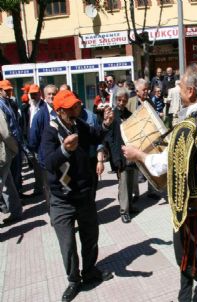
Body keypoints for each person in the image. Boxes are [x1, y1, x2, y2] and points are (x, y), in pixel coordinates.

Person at [122, 65, 197, 302]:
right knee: (188, 251)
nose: (178, 89)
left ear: (192, 91)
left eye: (181, 86)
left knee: (183, 256)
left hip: (190, 205)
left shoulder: (188, 127)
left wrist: (139, 155)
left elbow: (165, 164)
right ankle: (184, 298)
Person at [41, 90, 114, 302]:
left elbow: (96, 134)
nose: (77, 108)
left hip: (84, 194)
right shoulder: (51, 131)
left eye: (77, 105)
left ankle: (90, 271)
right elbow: (47, 163)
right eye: (72, 107)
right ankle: (74, 281)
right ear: (61, 111)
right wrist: (64, 150)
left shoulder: (78, 124)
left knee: (90, 237)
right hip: (61, 199)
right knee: (67, 244)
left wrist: (107, 123)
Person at [108, 88, 139, 223]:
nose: (122, 102)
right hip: (119, 155)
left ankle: (130, 206)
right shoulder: (112, 115)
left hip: (131, 153)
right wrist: (114, 158)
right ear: (116, 100)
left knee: (131, 182)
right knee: (123, 184)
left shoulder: (129, 114)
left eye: (124, 100)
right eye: (119, 100)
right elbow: (110, 139)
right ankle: (124, 211)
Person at [29, 84, 58, 211]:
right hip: (46, 159)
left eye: (54, 94)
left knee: (64, 186)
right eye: (49, 94)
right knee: (49, 189)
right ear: (44, 96)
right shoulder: (40, 115)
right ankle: (53, 215)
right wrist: (41, 152)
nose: (52, 96)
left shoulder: (62, 110)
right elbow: (33, 139)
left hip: (62, 157)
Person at [0, 80, 22, 226]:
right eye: (6, 90)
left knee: (5, 182)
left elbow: (6, 133)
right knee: (7, 182)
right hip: (7, 149)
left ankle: (15, 210)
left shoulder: (6, 103)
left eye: (9, 90)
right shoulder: (4, 104)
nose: (9, 92)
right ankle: (15, 210)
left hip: (5, 150)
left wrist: (14, 148)